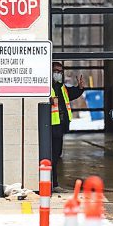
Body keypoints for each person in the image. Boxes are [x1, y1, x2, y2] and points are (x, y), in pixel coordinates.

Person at [50, 62, 85, 193]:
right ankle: (52, 184)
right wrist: (49, 101)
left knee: (56, 155)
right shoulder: (47, 87)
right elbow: (38, 100)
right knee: (51, 156)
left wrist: (80, 88)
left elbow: (71, 94)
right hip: (50, 127)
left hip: (59, 127)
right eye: (56, 71)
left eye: (60, 71)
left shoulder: (61, 87)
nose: (58, 73)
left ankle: (53, 184)